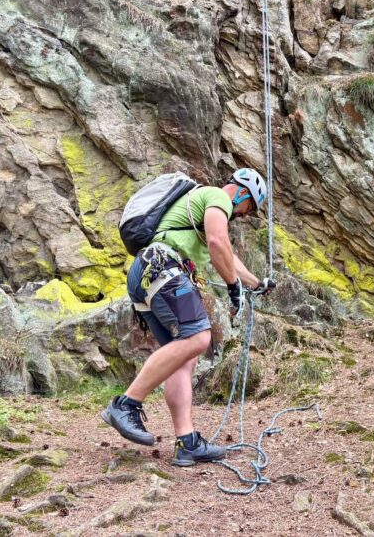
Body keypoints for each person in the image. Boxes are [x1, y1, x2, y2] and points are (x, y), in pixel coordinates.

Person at [101, 168, 276, 467]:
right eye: (249, 208)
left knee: (184, 357)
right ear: (242, 192)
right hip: (162, 267)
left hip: (146, 272)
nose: (245, 215)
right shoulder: (218, 196)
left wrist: (255, 283)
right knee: (197, 337)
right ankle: (125, 404)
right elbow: (217, 242)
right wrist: (233, 286)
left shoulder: (203, 209)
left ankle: (188, 443)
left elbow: (227, 254)